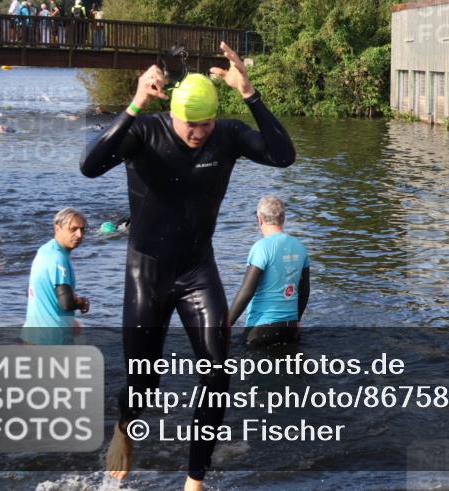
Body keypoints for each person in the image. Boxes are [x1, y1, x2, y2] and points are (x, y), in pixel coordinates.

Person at [80, 42, 296, 490]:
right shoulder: (145, 131)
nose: (199, 132)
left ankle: (194, 479)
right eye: (190, 124)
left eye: (206, 123)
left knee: (218, 370)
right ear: (172, 114)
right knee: (144, 383)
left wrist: (251, 94)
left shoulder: (227, 135)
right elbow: (89, 165)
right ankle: (124, 425)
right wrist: (136, 103)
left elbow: (282, 155)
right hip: (148, 271)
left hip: (197, 269)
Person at [228, 195, 310, 348]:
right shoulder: (300, 247)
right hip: (290, 329)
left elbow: (247, 289)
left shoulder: (261, 247)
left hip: (261, 330)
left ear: (259, 219)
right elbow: (304, 289)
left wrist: (226, 323)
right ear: (283, 218)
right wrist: (297, 320)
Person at [21, 208, 89, 344]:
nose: (79, 234)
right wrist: (81, 303)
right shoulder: (59, 258)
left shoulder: (44, 251)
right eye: (73, 229)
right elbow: (66, 303)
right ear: (57, 228)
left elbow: (31, 290)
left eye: (82, 230)